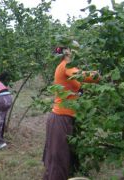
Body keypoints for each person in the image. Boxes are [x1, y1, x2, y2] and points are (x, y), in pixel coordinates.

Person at [43, 46, 100, 180]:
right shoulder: (65, 65)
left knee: (60, 158)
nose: (78, 49)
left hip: (66, 117)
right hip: (60, 117)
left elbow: (78, 83)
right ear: (66, 51)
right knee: (59, 159)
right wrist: (99, 75)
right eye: (74, 47)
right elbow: (81, 76)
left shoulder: (69, 66)